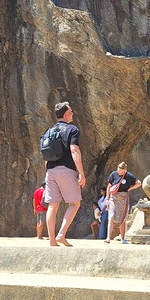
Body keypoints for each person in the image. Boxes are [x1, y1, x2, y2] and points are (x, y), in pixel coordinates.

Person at [43, 101, 86, 247]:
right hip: (66, 170)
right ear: (66, 114)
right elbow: (74, 150)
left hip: (50, 170)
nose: (73, 113)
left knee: (52, 206)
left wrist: (48, 172)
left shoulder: (49, 130)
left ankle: (52, 240)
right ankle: (61, 235)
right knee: (74, 203)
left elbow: (46, 154)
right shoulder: (72, 130)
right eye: (71, 111)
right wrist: (81, 173)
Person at [104, 162, 141, 244]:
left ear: (125, 170)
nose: (120, 172)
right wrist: (107, 198)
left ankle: (123, 239)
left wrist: (129, 189)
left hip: (123, 198)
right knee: (111, 217)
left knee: (123, 218)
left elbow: (138, 183)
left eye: (122, 171)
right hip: (113, 198)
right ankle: (108, 238)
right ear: (117, 168)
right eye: (119, 170)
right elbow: (109, 186)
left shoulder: (129, 176)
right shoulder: (113, 174)